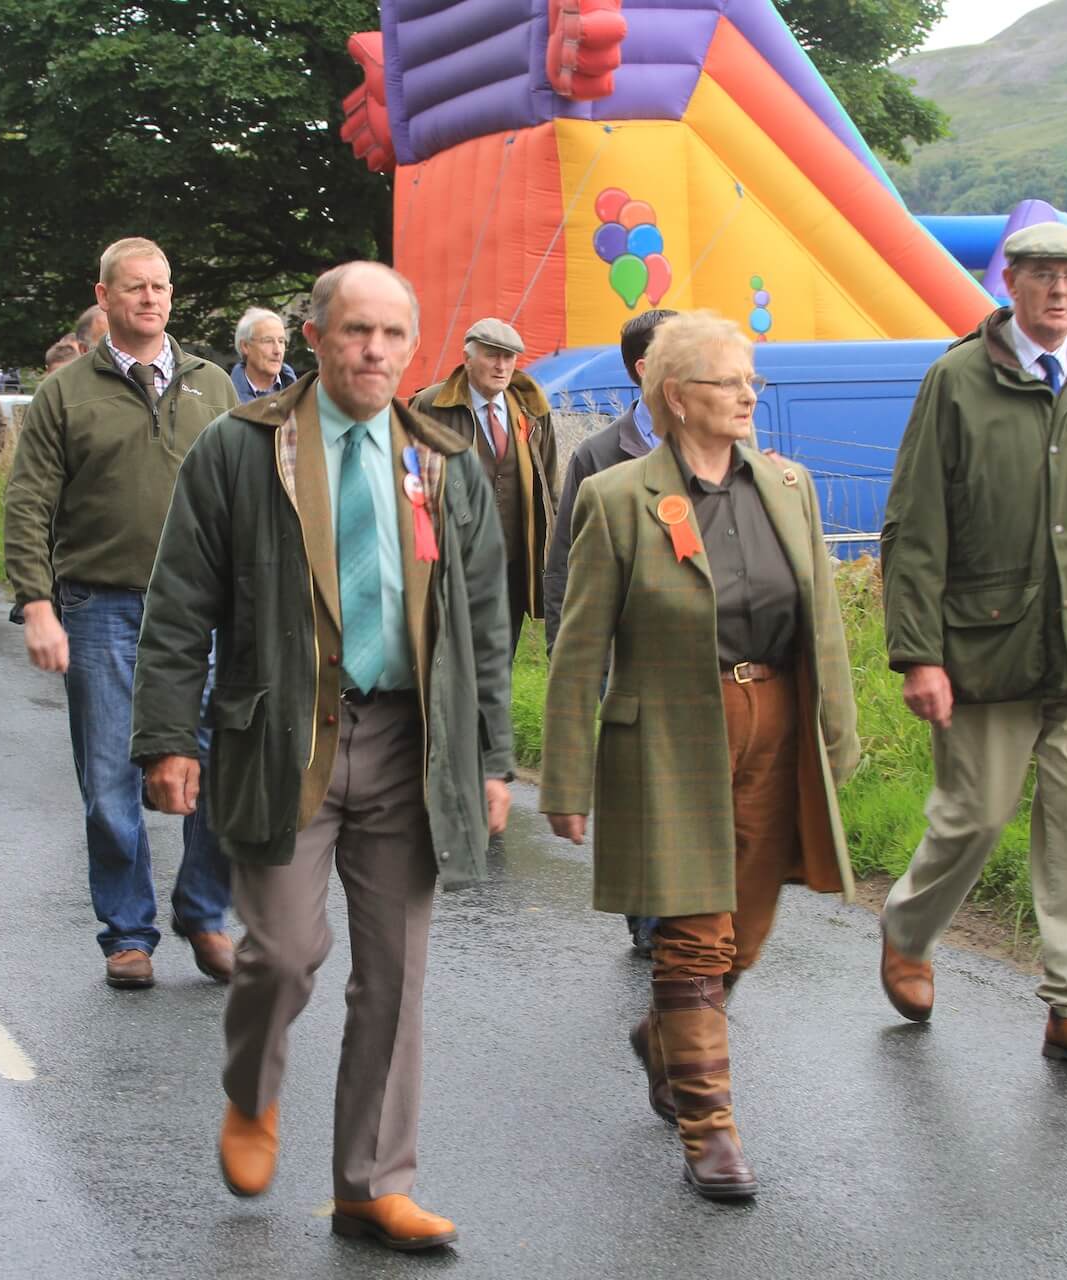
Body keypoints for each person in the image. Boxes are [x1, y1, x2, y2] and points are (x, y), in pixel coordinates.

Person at [131, 261, 513, 1252]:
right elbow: (179, 605)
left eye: (393, 334)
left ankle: (372, 1185)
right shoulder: (240, 449)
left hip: (409, 746)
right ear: (314, 336)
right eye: (355, 331)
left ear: (414, 345)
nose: (374, 351)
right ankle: (251, 1088)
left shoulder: (443, 459)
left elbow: (484, 623)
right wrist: (168, 738)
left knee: (395, 974)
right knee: (285, 952)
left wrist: (492, 758)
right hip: (284, 738)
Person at [540, 311, 859, 1201]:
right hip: (671, 733)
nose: (749, 395)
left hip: (777, 723)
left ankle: (664, 1035)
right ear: (677, 397)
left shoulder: (789, 484)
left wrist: (836, 736)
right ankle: (709, 1127)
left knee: (743, 931)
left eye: (752, 380)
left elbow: (824, 620)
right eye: (729, 382)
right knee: (691, 934)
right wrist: (565, 778)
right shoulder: (617, 497)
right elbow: (580, 645)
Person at [877, 223, 1067, 1077]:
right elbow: (915, 526)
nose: (1059, 292)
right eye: (1044, 275)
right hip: (986, 649)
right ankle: (908, 930)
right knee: (975, 816)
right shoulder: (958, 380)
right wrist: (919, 654)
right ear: (1010, 282)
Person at [5, 236, 239, 991]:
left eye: (160, 286)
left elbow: (252, 494)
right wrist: (36, 604)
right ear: (103, 297)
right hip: (100, 605)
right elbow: (29, 503)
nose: (150, 298)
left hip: (203, 609)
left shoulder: (213, 385)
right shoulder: (66, 392)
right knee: (110, 779)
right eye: (134, 286)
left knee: (220, 765)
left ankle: (204, 913)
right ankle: (128, 934)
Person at [543, 307, 676, 957]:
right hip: (628, 658)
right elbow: (565, 562)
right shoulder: (598, 455)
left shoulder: (715, 441)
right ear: (646, 369)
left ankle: (693, 910)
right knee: (640, 790)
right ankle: (650, 917)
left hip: (703, 654)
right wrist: (570, 663)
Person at [408, 318, 556, 657]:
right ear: (468, 358)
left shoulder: (532, 408)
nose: (501, 366)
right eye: (492, 355)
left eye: (509, 357)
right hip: (453, 560)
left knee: (500, 655)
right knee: (450, 655)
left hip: (513, 562)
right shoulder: (432, 406)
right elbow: (410, 484)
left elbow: (550, 487)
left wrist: (554, 551)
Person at [228, 307, 295, 402]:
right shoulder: (225, 400)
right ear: (245, 346)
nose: (278, 350)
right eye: (268, 341)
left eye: (281, 341)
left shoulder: (303, 396)